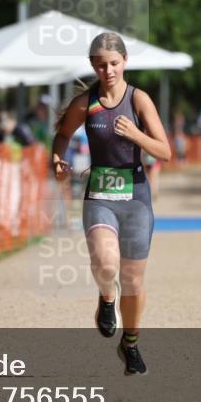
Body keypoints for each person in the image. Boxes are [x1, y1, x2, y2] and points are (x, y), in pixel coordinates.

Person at [51, 32, 171, 375]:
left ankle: (130, 343)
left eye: (114, 63)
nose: (108, 70)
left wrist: (136, 135)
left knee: (133, 280)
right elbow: (61, 136)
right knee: (105, 265)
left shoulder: (139, 100)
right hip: (100, 193)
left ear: (125, 62)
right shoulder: (86, 103)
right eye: (101, 65)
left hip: (135, 196)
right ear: (92, 66)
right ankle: (106, 298)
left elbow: (165, 151)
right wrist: (58, 159)